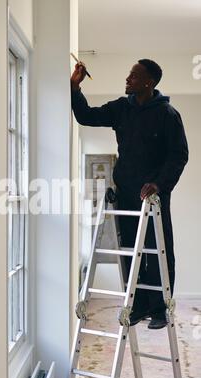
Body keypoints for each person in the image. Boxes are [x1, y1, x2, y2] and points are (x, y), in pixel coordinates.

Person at [71, 59, 189, 329]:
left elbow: (179, 156)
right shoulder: (121, 108)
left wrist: (158, 184)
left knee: (156, 250)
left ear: (149, 82)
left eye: (134, 76)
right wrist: (75, 88)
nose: (127, 79)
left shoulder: (168, 115)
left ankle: (159, 309)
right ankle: (137, 305)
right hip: (125, 194)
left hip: (153, 197)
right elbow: (87, 116)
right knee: (129, 251)